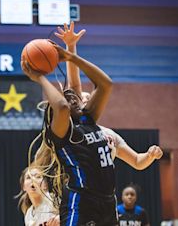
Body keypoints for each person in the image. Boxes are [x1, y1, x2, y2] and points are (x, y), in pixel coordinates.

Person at [21, 39, 118, 225]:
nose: (73, 97)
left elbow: (106, 84)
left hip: (107, 201)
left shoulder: (87, 119)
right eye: (68, 97)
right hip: (82, 203)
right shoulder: (61, 133)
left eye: (75, 97)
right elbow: (62, 107)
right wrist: (39, 77)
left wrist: (72, 57)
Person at [54, 22, 163, 169]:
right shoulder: (71, 129)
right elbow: (74, 84)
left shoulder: (108, 134)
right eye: (82, 97)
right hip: (80, 188)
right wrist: (71, 47)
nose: (85, 98)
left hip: (105, 191)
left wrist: (150, 155)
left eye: (88, 97)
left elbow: (137, 161)